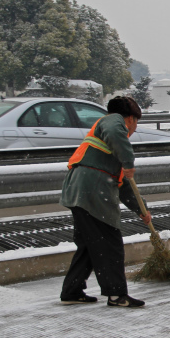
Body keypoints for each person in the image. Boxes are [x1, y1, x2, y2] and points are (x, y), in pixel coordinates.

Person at [59, 96, 152, 307]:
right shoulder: (112, 121)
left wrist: (142, 210)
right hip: (92, 190)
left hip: (81, 190)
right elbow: (114, 131)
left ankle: (72, 291)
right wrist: (129, 162)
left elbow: (123, 186)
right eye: (136, 122)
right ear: (129, 119)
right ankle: (116, 294)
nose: (134, 128)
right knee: (109, 244)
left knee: (89, 246)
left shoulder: (108, 149)